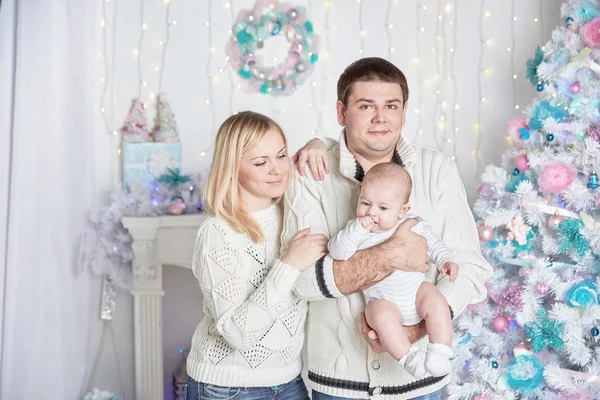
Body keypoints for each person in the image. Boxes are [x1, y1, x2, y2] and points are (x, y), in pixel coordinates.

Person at [281, 57, 493, 399]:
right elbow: (302, 280)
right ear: (341, 112)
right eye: (366, 106)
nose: (381, 118)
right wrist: (390, 255)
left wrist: (415, 330)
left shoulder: (436, 170)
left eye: (391, 106)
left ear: (404, 112)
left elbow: (469, 269)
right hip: (339, 389)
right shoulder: (311, 173)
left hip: (420, 389)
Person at [185, 111, 330, 400]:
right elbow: (237, 334)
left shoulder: (291, 212)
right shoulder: (218, 232)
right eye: (261, 162)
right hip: (226, 387)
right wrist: (288, 265)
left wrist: (319, 142)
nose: (276, 169)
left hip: (289, 381)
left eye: (280, 156)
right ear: (232, 168)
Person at [328, 162, 458, 380]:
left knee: (436, 300)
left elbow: (434, 244)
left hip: (416, 292)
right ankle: (409, 358)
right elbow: (337, 251)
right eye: (365, 203)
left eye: (383, 208)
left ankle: (440, 351)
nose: (371, 213)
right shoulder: (357, 230)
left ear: (402, 210)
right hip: (383, 297)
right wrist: (356, 229)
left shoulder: (413, 223)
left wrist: (445, 260)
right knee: (379, 315)